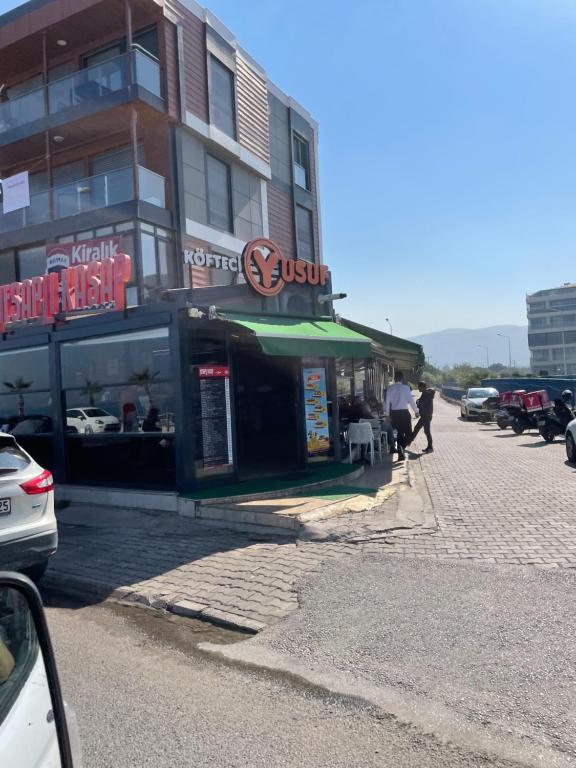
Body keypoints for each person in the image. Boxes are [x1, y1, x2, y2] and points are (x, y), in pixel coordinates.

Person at [384, 371, 419, 461]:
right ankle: (401, 448)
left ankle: (400, 451)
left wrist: (387, 414)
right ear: (402, 379)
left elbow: (387, 402)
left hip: (394, 414)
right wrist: (416, 411)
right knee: (408, 433)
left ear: (395, 379)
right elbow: (411, 401)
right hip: (404, 413)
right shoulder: (406, 388)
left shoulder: (390, 388)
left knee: (399, 433)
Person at [411, 381, 435, 453]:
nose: (418, 388)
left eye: (419, 386)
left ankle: (430, 447)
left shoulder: (426, 394)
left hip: (426, 416)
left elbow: (422, 405)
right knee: (418, 428)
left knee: (426, 431)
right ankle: (409, 441)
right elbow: (422, 403)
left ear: (423, 387)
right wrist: (419, 402)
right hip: (425, 416)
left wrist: (418, 403)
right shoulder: (425, 393)